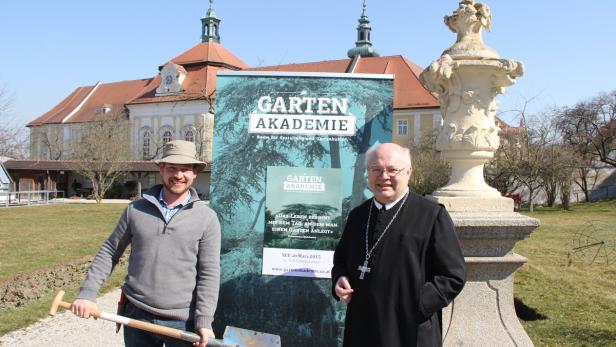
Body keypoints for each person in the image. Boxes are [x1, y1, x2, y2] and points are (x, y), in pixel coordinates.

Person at [71, 140, 221, 347]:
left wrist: (204, 320)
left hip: (182, 321)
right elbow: (110, 251)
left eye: (185, 169)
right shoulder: (135, 209)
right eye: (172, 168)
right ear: (161, 169)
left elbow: (209, 272)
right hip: (136, 315)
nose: (178, 175)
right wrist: (87, 293)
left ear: (194, 173)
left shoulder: (207, 218)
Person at [331, 143, 466, 347]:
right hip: (361, 329)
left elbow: (453, 275)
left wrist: (415, 304)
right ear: (368, 173)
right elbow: (340, 260)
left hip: (409, 331)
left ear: (408, 172)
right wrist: (339, 279)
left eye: (392, 170)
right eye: (376, 169)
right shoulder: (358, 216)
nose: (383, 176)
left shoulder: (431, 215)